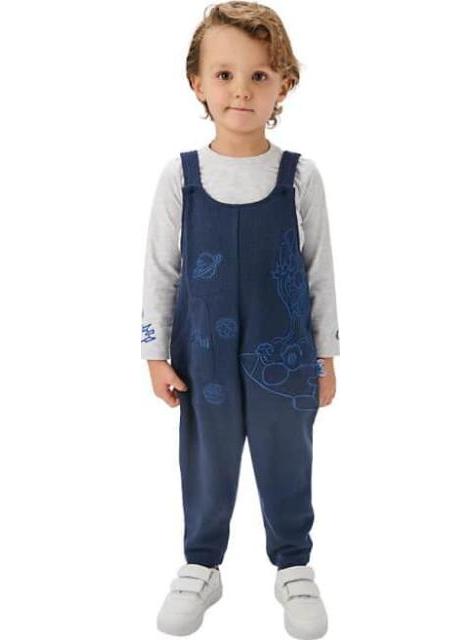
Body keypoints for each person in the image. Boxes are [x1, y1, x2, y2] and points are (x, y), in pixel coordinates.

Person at [141, 2, 340, 637]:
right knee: (207, 455)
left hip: (285, 353)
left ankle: (294, 565)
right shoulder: (181, 176)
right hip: (201, 351)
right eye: (225, 74)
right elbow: (161, 268)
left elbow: (319, 269)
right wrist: (152, 352)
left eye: (260, 75)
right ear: (197, 82)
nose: (241, 91)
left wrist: (326, 354)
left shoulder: (299, 176)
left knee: (288, 454)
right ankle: (202, 564)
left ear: (285, 83)